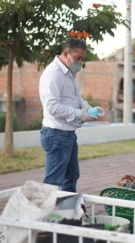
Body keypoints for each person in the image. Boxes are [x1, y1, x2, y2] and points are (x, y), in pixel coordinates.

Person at [39, 38, 102, 193]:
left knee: (72, 175)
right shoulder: (53, 74)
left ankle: (67, 211)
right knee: (53, 181)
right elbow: (52, 107)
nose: (80, 62)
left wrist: (85, 106)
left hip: (67, 134)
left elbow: (74, 98)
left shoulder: (70, 72)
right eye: (77, 58)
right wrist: (79, 114)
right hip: (56, 134)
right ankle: (44, 215)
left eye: (82, 59)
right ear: (66, 53)